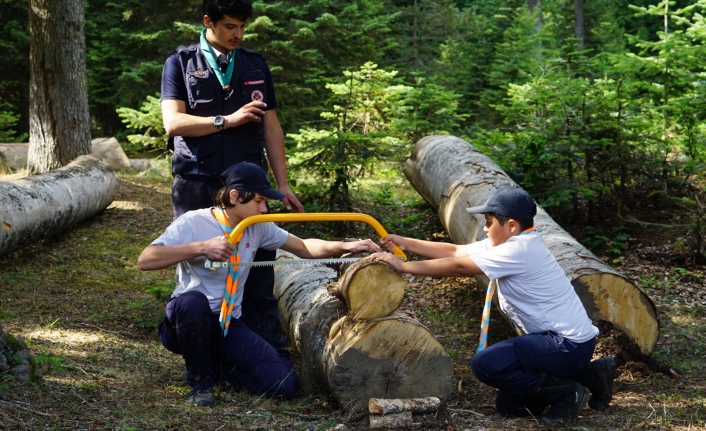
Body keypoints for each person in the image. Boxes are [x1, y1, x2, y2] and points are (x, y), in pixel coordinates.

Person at [138, 162, 382, 407]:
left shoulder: (258, 226)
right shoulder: (193, 223)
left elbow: (302, 246)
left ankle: (211, 365)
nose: (264, 209)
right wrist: (200, 248)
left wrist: (347, 246)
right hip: (185, 321)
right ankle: (200, 383)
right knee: (193, 302)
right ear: (235, 196)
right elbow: (146, 259)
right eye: (258, 201)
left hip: (227, 323)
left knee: (283, 384)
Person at [371, 186, 617, 427]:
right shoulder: (513, 242)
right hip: (558, 344)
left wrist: (404, 266)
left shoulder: (519, 250)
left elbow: (459, 267)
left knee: (486, 364)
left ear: (511, 225)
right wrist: (405, 243)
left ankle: (567, 393)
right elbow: (456, 251)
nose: (485, 229)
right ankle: (593, 376)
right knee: (512, 407)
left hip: (567, 345)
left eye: (489, 222)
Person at [160, 0, 303, 361]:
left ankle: (268, 349)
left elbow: (271, 127)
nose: (237, 34)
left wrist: (282, 183)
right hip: (197, 180)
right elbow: (173, 123)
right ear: (208, 21)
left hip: (247, 183)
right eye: (228, 26)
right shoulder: (181, 63)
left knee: (258, 268)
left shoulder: (254, 63)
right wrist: (227, 119)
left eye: (242, 26)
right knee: (201, 265)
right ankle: (199, 350)